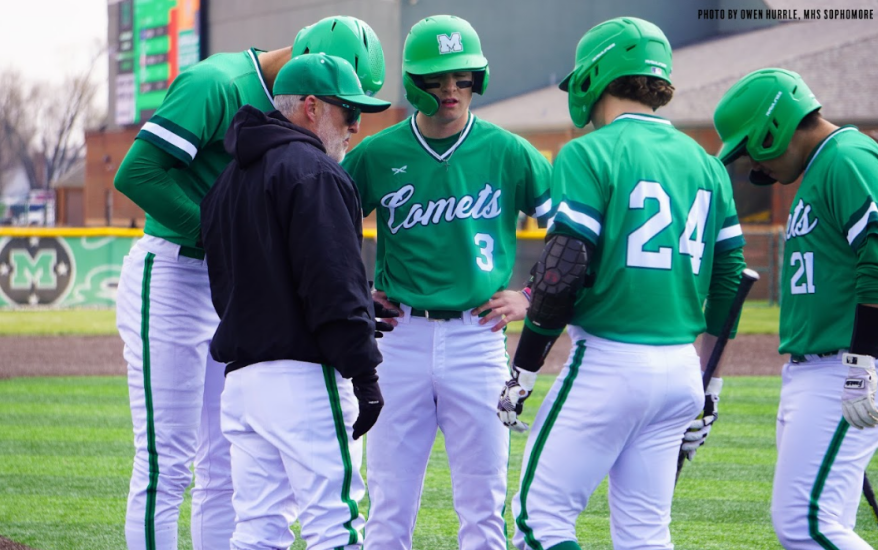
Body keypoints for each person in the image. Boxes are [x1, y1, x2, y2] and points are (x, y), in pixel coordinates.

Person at [113, 16, 385, 550]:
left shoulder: (293, 123)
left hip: (239, 286)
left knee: (226, 470)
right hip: (175, 268)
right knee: (166, 463)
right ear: (312, 96)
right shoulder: (217, 82)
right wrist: (228, 242)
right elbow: (136, 174)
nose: (355, 120)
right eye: (347, 105)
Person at [498, 17, 746, 550]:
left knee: (537, 522)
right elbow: (730, 276)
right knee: (646, 535)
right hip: (681, 368)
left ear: (597, 75)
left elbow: (564, 270)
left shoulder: (589, 152)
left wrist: (525, 367)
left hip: (608, 364)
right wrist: (710, 381)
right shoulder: (707, 164)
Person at [341, 14, 553, 550]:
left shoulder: (509, 151)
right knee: (388, 508)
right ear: (415, 83)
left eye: (462, 77)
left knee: (484, 509)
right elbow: (324, 233)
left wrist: (530, 296)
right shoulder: (378, 153)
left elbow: (572, 235)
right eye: (437, 79)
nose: (451, 89)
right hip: (398, 340)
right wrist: (357, 292)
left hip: (477, 338)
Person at [200, 52, 391, 550]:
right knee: (335, 525)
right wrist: (364, 371)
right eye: (348, 111)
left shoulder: (228, 180)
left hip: (242, 382)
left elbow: (241, 280)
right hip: (302, 378)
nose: (355, 125)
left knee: (258, 530)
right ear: (311, 107)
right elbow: (332, 284)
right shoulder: (315, 171)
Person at [714, 68, 878, 550]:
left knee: (805, 525)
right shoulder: (825, 164)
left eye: (749, 150)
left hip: (844, 363)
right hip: (823, 366)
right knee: (822, 523)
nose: (753, 167)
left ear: (772, 129)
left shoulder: (847, 156)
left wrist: (863, 361)